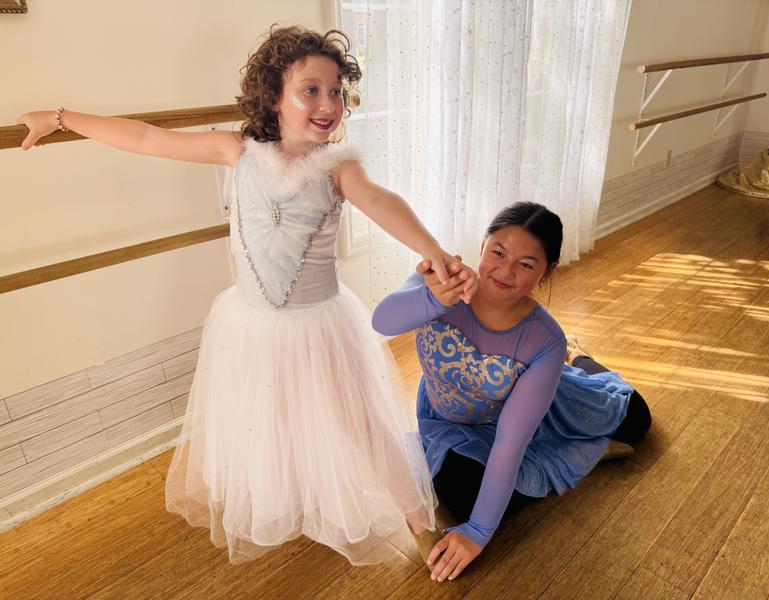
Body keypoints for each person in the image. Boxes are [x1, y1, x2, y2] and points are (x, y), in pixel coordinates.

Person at [16, 25, 477, 565]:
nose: (327, 104)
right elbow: (145, 139)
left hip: (319, 325)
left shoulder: (339, 169)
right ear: (274, 96)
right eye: (310, 90)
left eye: (336, 91)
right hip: (250, 325)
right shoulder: (235, 151)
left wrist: (433, 251)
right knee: (267, 421)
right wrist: (60, 118)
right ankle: (293, 498)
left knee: (359, 424)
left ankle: (419, 520)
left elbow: (380, 201)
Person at [373, 201, 651, 581]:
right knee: (462, 493)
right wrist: (432, 299)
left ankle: (579, 359)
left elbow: (510, 440)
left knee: (637, 419)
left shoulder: (544, 339)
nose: (505, 271)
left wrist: (478, 533)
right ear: (483, 245)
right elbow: (382, 322)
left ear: (546, 272)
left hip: (525, 412)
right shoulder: (442, 282)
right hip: (448, 419)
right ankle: (580, 447)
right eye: (498, 253)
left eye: (526, 264)